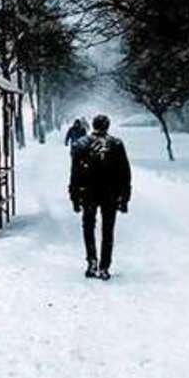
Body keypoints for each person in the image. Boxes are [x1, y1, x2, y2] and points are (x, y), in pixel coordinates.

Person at [69, 114, 131, 280]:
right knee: (108, 230)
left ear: (93, 126)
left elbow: (75, 174)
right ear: (107, 126)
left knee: (88, 227)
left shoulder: (81, 144)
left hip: (88, 193)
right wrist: (124, 198)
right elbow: (125, 173)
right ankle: (105, 266)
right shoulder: (116, 144)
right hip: (110, 194)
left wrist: (74, 196)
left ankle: (92, 261)